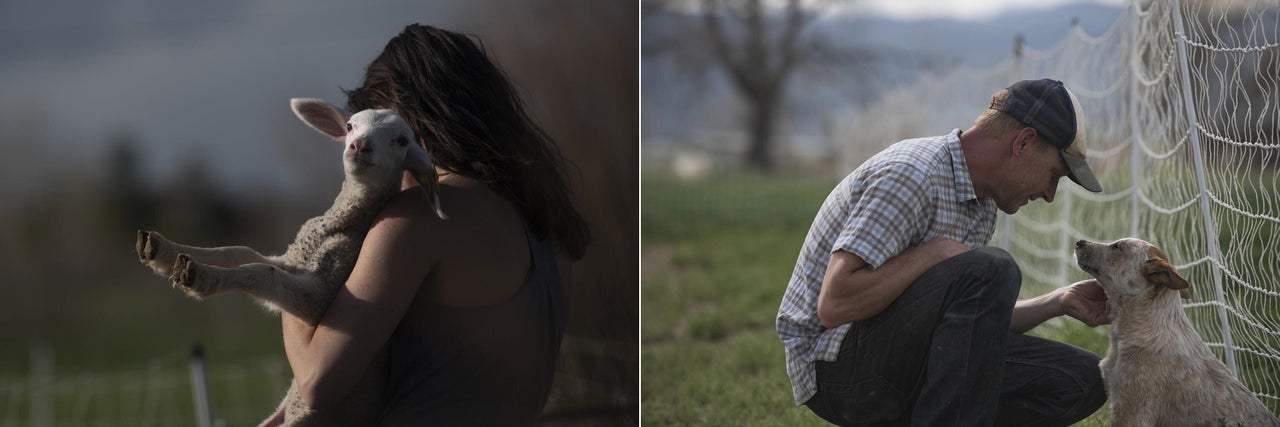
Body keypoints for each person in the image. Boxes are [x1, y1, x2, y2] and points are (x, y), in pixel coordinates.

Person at [277, 24, 590, 425]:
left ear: (410, 124)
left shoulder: (418, 220)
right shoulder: (541, 223)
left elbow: (317, 381)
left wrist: (288, 276)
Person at [777, 79, 1110, 426]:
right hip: (838, 370)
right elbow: (835, 305)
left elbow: (969, 327)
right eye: (1054, 174)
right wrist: (931, 254)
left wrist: (1057, 302)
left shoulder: (982, 205)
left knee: (1083, 378)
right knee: (993, 267)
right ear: (1023, 142)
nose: (1049, 194)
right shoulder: (911, 176)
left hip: (910, 359)